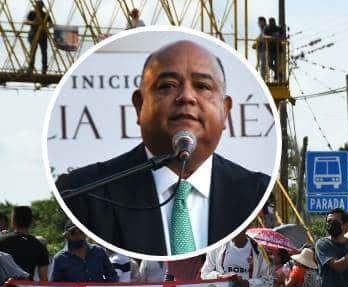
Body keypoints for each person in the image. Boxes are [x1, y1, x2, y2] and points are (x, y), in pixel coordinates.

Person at [55, 39, 271, 256]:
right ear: (139, 105)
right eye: (167, 86)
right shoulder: (85, 194)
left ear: (225, 110)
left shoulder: (258, 193)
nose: (186, 97)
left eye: (203, 86)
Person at [50, 222, 118, 282]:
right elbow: (55, 286)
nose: (78, 235)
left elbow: (112, 276)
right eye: (73, 232)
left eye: (81, 231)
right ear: (66, 235)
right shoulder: (59, 259)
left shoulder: (98, 251)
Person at [0, 206, 49, 281]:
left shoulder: (3, 241)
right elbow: (44, 278)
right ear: (31, 221)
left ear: (13, 221)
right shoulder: (39, 244)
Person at [25, 0, 52, 74]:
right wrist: (33, 22)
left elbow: (51, 24)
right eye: (37, 5)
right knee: (33, 51)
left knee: (43, 52)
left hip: (42, 35)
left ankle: (44, 68)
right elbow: (26, 21)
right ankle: (31, 68)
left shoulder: (45, 14)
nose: (38, 6)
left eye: (39, 5)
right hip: (33, 34)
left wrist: (45, 27)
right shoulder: (32, 13)